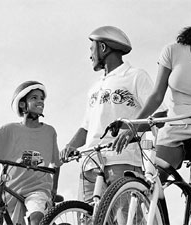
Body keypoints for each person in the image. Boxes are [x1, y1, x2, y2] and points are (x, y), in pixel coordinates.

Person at [112, 4, 191, 224]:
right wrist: (134, 125)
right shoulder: (173, 51)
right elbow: (156, 96)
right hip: (174, 125)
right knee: (150, 184)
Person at [60, 26, 158, 202]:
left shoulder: (135, 76)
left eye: (92, 49)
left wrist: (132, 131)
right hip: (90, 164)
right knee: (87, 219)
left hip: (122, 160)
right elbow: (86, 127)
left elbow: (159, 114)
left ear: (103, 48)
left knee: (124, 217)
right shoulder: (94, 89)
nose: (90, 56)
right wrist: (70, 146)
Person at [0, 81, 62, 225]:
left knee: (36, 218)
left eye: (42, 98)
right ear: (22, 104)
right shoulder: (10, 130)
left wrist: (54, 189)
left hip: (38, 188)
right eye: (34, 98)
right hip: (12, 191)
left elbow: (56, 163)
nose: (40, 101)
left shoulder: (49, 132)